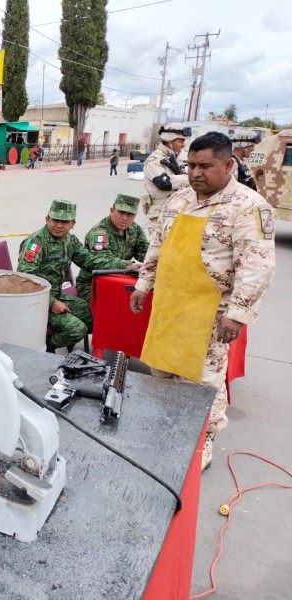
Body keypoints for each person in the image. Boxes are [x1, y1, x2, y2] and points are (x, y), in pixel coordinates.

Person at [130, 132, 276, 472]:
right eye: (191, 165)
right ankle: (165, 428)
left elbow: (257, 265)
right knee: (161, 369)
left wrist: (238, 313)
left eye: (204, 166)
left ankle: (203, 439)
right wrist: (143, 284)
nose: (195, 173)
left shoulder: (248, 206)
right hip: (170, 304)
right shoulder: (180, 199)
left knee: (203, 380)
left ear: (228, 164)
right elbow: (158, 246)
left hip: (211, 312)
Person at [17, 200, 140, 352]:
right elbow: (25, 278)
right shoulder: (36, 243)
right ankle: (44, 346)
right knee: (77, 330)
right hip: (36, 301)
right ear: (47, 219)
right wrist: (52, 302)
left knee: (97, 318)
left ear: (73, 223)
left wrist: (125, 265)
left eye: (65, 222)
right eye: (55, 220)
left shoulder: (70, 240)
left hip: (57, 295)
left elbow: (90, 261)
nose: (59, 225)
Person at [75, 194, 148, 302]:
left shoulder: (134, 229)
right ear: (112, 210)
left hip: (120, 280)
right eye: (121, 212)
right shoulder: (99, 233)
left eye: (130, 214)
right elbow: (101, 261)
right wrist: (128, 265)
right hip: (93, 284)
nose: (124, 218)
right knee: (118, 307)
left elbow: (144, 252)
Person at [143, 122, 191, 237]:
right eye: (181, 141)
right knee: (159, 252)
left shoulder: (176, 159)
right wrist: (189, 179)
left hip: (179, 211)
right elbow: (164, 182)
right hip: (161, 215)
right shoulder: (154, 159)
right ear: (170, 140)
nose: (183, 145)